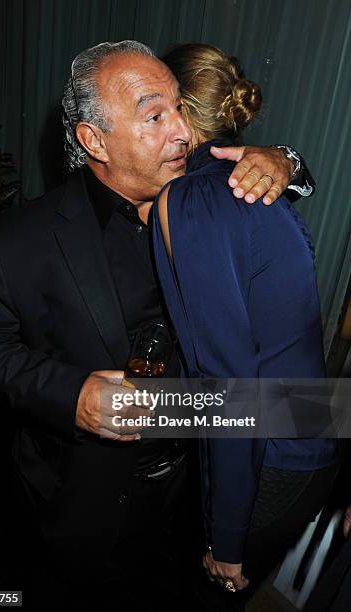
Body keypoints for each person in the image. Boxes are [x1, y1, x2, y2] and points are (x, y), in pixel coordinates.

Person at [0, 40, 315, 611]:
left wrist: (288, 160)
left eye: (180, 107)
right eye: (155, 116)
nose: (182, 131)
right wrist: (70, 394)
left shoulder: (208, 197)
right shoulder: (18, 240)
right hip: (76, 499)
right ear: (94, 140)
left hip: (192, 486)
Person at [153, 43, 338, 611]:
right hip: (316, 421)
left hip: (274, 447)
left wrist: (226, 537)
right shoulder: (247, 178)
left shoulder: (196, 198)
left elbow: (229, 385)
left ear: (179, 113)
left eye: (153, 107)